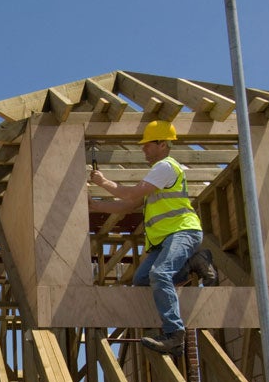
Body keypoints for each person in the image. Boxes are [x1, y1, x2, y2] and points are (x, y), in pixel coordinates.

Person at [89, 120, 218, 356]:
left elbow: (130, 193)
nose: (143, 149)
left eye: (148, 145)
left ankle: (174, 334)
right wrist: (95, 205)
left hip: (183, 231)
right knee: (141, 280)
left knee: (160, 274)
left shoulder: (166, 167)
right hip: (164, 241)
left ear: (162, 144)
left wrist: (104, 182)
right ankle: (194, 262)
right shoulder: (157, 177)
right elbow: (129, 205)